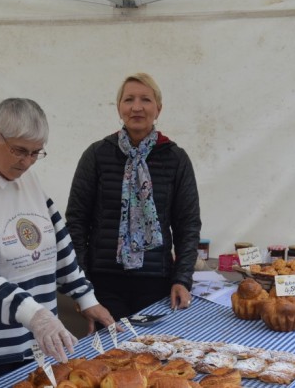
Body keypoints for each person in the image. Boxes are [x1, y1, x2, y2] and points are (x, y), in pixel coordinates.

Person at [0, 98, 118, 387]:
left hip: (33, 347)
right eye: (20, 151)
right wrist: (35, 315)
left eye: (36, 153)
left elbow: (58, 244)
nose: (27, 162)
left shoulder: (30, 182)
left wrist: (86, 298)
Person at [66, 72, 201, 322]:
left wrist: (182, 279)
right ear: (119, 108)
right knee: (108, 356)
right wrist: (81, 284)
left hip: (156, 283)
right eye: (129, 99)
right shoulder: (96, 155)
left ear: (158, 109)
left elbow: (188, 225)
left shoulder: (175, 158)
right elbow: (76, 222)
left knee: (152, 357)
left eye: (146, 100)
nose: (136, 107)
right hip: (103, 283)